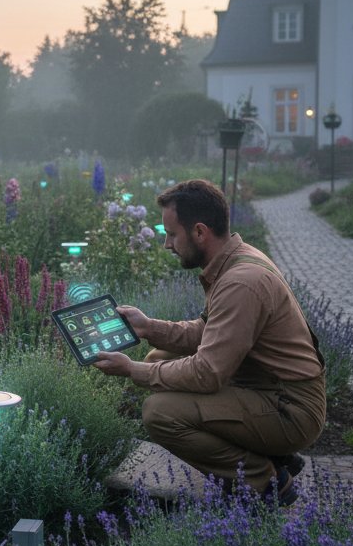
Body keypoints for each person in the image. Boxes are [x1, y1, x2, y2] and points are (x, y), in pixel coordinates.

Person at [93, 178, 325, 506]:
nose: (167, 245)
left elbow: (207, 373)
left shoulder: (240, 283)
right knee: (160, 357)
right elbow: (205, 333)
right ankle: (270, 454)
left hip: (291, 409)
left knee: (160, 413)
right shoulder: (235, 260)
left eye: (172, 235)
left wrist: (132, 370)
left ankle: (265, 478)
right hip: (270, 390)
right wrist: (147, 327)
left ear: (200, 232)